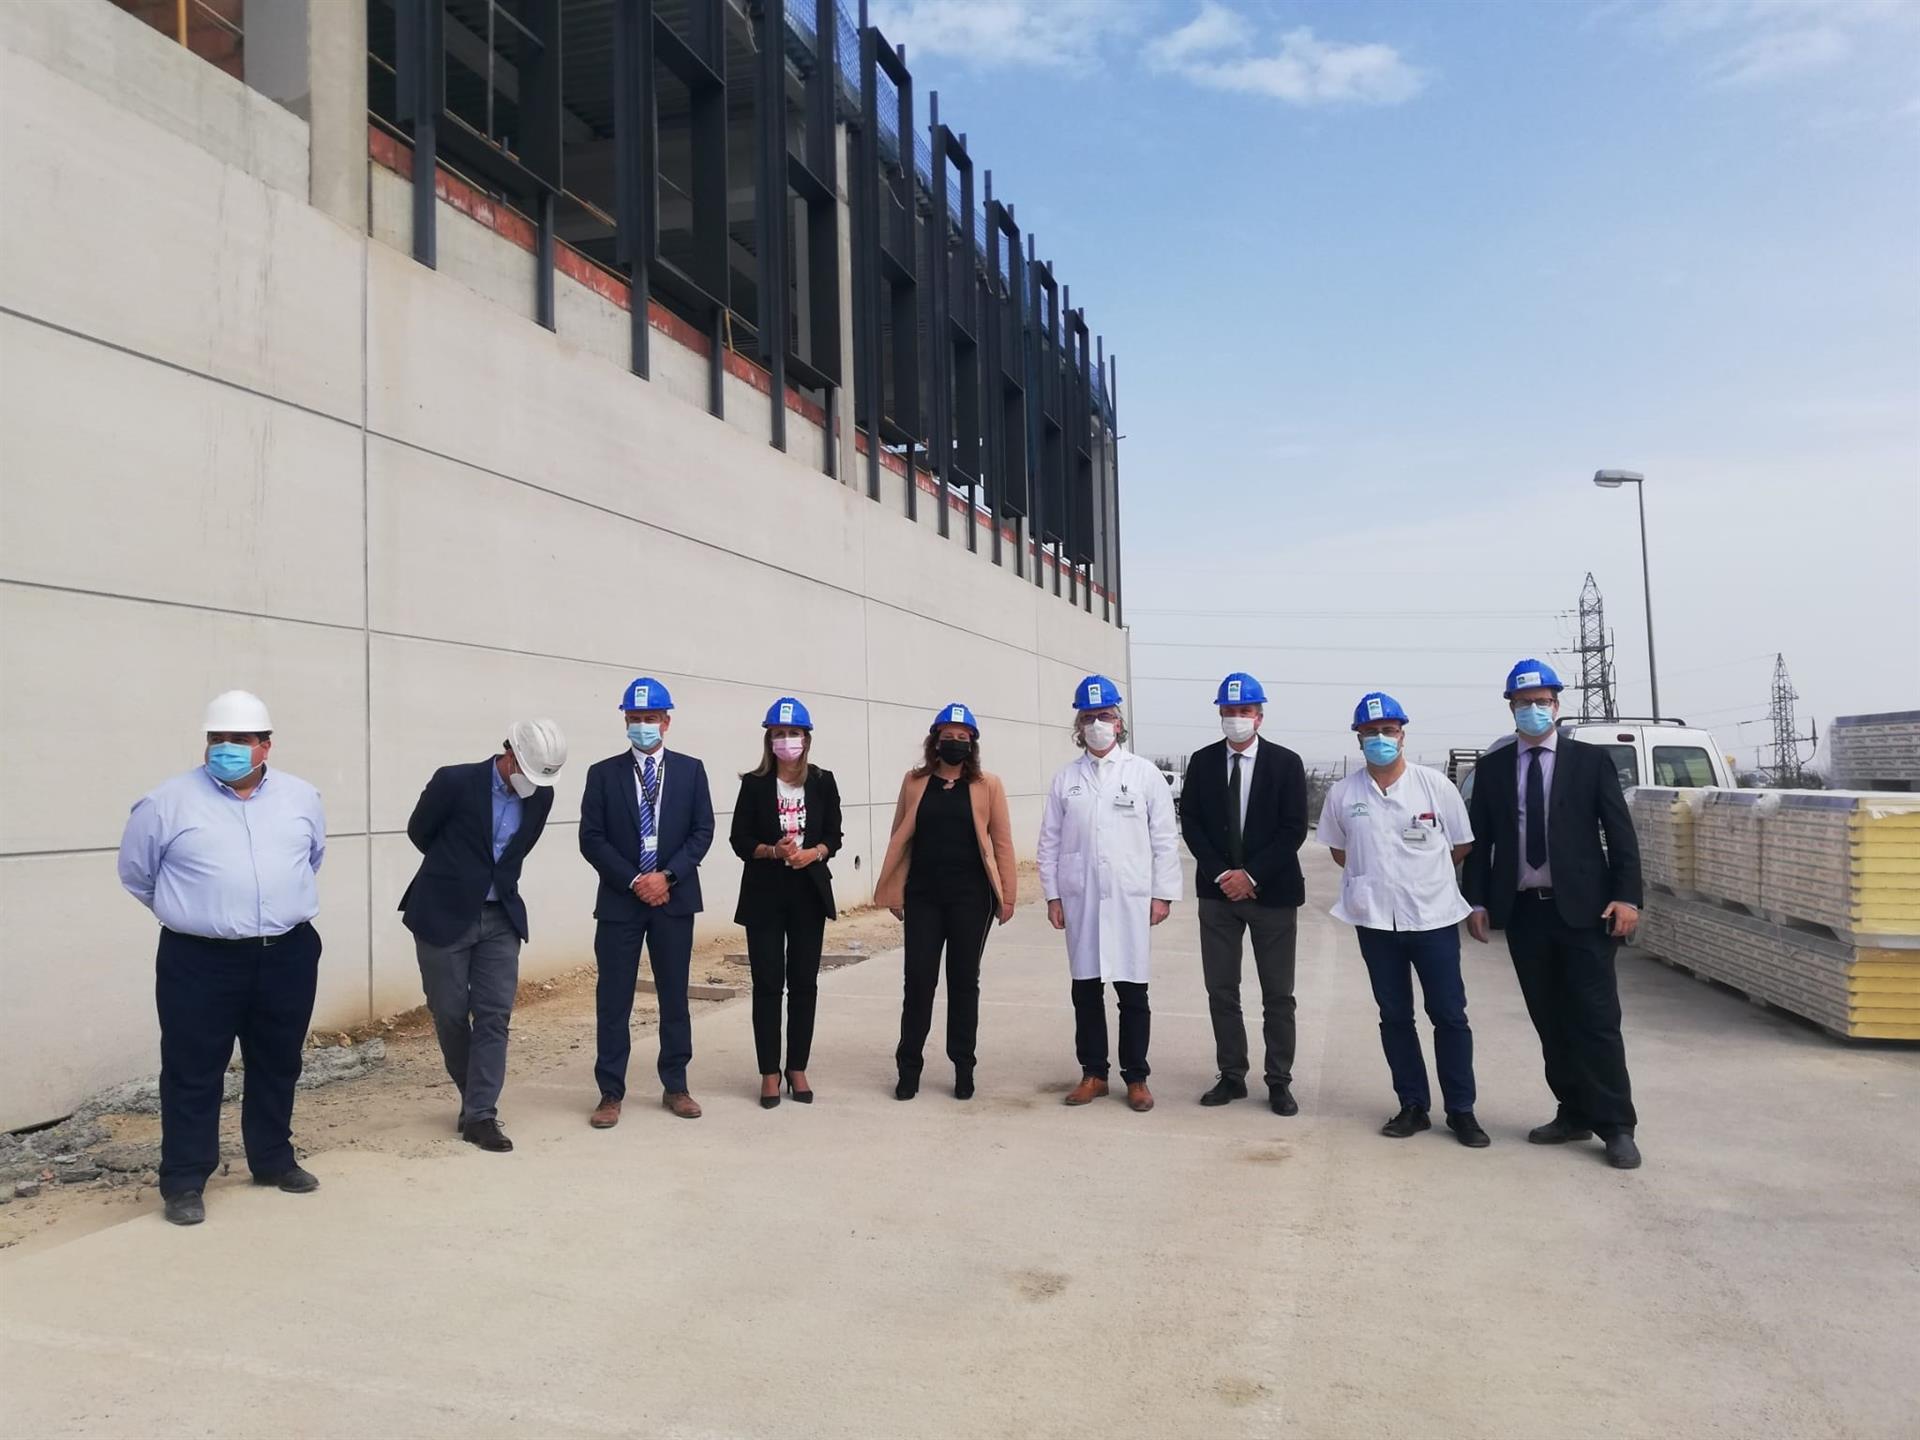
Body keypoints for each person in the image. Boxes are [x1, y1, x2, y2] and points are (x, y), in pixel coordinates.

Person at [116, 691, 327, 1227]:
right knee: (192, 1070)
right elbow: (137, 875)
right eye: (216, 739)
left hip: (286, 953)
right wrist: (199, 914)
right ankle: (185, 1180)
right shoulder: (165, 803)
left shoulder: (302, 797)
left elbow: (311, 858)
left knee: (279, 1060)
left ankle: (273, 1160)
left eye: (238, 740)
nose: (225, 748)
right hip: (198, 960)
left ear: (265, 745)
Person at [1463, 659, 1645, 1170]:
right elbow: (1481, 844)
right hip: (1525, 914)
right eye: (1524, 703)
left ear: (1557, 706)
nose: (1534, 710)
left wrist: (1628, 897)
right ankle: (1572, 1112)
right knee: (1550, 1019)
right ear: (1511, 708)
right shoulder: (1495, 769)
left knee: (1597, 1019)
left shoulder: (1589, 762)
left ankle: (1616, 1124)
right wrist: (1476, 901)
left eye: (1542, 702)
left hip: (1586, 913)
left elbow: (1619, 832)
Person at [1316, 693, 1489, 1147]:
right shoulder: (1344, 793)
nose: (1379, 739)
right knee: (1394, 1016)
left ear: (1403, 734)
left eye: (1388, 731)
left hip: (1432, 920)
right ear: (1358, 738)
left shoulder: (1435, 786)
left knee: (1449, 1015)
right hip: (1375, 922)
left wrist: (1419, 876)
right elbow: (1338, 850)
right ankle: (1412, 1104)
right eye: (1370, 732)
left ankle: (1462, 1110)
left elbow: (1461, 845)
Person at [399, 719, 568, 1153]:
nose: (531, 784)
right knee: (450, 1012)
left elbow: (519, 849)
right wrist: (461, 876)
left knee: (494, 1015)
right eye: (526, 773)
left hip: (500, 918)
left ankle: (480, 1115)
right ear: (510, 754)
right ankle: (473, 1097)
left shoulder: (541, 795)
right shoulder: (454, 781)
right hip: (442, 912)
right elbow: (421, 832)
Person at [1036, 676, 1182, 1113]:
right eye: (1089, 718)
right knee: (1086, 989)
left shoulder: (1143, 774)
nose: (1097, 724)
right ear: (1078, 727)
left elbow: (1164, 838)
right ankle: (1093, 1073)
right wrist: (1053, 896)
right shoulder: (1067, 780)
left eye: (1105, 716)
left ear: (1119, 723)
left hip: (1130, 898)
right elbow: (1049, 842)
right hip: (1080, 898)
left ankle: (1136, 1077)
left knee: (1132, 991)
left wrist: (1162, 894)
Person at [579, 677, 715, 1126]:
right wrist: (636, 879)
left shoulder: (692, 770)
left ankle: (675, 1085)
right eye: (635, 719)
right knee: (613, 998)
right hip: (622, 901)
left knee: (674, 996)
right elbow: (591, 838)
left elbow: (702, 832)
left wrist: (668, 876)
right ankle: (610, 1092)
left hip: (673, 900)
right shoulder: (603, 773)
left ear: (666, 722)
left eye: (650, 718)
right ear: (625, 721)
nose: (643, 726)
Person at [1178, 672, 1310, 1117]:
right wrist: (1222, 875)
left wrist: (1250, 875)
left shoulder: (1286, 763)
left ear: (1259, 716)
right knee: (1221, 988)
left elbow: (1294, 828)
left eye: (1244, 712)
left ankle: (1279, 1081)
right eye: (1229, 712)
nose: (1236, 719)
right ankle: (1232, 1074)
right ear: (1220, 714)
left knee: (1278, 993)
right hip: (1217, 896)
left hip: (1271, 895)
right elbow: (1191, 823)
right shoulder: (1202, 762)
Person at [874, 704, 1018, 1101]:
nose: (954, 742)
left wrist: (1007, 896)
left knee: (963, 980)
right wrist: (894, 890)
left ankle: (964, 1066)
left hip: (971, 898)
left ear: (972, 743)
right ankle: (909, 1067)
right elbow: (901, 837)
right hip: (923, 896)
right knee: (918, 981)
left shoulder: (988, 784)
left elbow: (1002, 842)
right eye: (947, 735)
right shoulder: (915, 781)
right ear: (934, 740)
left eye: (962, 736)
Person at [729, 698, 843, 1108]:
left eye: (793, 733)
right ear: (768, 739)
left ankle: (797, 1066)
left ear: (806, 738)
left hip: (808, 891)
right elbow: (738, 840)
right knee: (767, 984)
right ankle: (769, 1072)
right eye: (778, 734)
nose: (786, 740)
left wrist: (815, 852)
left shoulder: (823, 780)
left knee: (804, 983)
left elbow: (835, 833)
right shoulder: (755, 784)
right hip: (764, 893)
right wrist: (772, 851)